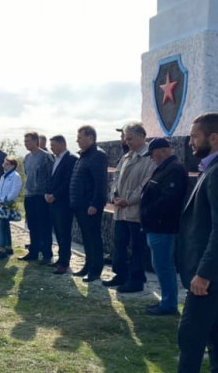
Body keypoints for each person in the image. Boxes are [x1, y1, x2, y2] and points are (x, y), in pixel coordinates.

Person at [135, 113, 218, 373]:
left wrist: (204, 273)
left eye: (195, 136)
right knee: (214, 332)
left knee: (190, 334)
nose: (190, 141)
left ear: (213, 138)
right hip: (213, 271)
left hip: (210, 274)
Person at [139, 138, 188, 315]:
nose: (152, 158)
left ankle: (169, 304)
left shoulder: (174, 169)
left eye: (152, 154)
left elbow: (169, 199)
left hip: (162, 226)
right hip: (157, 225)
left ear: (162, 151)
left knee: (163, 265)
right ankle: (167, 301)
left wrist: (148, 212)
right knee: (161, 264)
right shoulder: (167, 168)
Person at [106, 122, 155, 293]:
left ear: (142, 137)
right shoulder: (127, 156)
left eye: (130, 138)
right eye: (126, 138)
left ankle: (136, 280)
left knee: (137, 247)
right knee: (119, 244)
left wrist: (129, 200)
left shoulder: (150, 157)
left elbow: (146, 183)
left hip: (135, 211)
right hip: (121, 210)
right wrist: (114, 196)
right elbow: (116, 178)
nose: (127, 142)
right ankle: (120, 274)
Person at [69, 125, 109, 283]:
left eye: (80, 137)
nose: (77, 140)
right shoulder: (84, 156)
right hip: (80, 205)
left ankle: (95, 270)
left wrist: (95, 204)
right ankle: (88, 264)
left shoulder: (98, 155)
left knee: (93, 238)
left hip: (89, 206)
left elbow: (100, 183)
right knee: (86, 238)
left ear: (91, 138)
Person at [18, 132, 54, 263]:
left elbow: (51, 177)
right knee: (32, 225)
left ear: (35, 141)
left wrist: (49, 194)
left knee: (44, 226)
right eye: (25, 141)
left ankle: (46, 254)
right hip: (30, 195)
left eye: (28, 141)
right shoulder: (27, 157)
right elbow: (27, 174)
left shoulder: (46, 157)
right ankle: (33, 251)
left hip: (41, 196)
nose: (25, 143)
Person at [45, 135, 78, 274]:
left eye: (53, 145)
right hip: (52, 201)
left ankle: (64, 262)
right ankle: (60, 259)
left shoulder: (71, 158)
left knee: (64, 233)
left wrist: (55, 195)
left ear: (62, 144)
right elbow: (52, 179)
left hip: (63, 202)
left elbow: (68, 181)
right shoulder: (55, 159)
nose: (51, 148)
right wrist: (47, 193)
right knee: (57, 232)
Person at [0, 157, 22, 260]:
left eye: (6, 164)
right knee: (4, 225)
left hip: (7, 205)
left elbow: (14, 191)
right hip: (0, 204)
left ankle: (3, 249)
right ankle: (8, 247)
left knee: (2, 225)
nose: (3, 165)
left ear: (12, 165)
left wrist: (4, 201)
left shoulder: (15, 176)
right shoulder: (3, 176)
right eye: (4, 163)